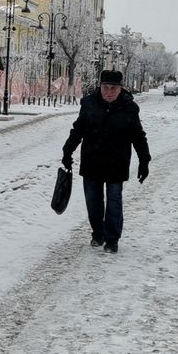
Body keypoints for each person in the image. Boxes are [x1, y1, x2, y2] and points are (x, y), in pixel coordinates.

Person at [61, 69, 150, 254]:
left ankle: (112, 239)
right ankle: (98, 233)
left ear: (120, 89)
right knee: (93, 202)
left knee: (114, 202)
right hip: (92, 160)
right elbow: (78, 130)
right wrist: (67, 151)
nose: (109, 92)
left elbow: (138, 136)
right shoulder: (89, 105)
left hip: (117, 163)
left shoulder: (129, 108)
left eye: (113, 88)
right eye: (105, 88)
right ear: (100, 87)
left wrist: (144, 160)